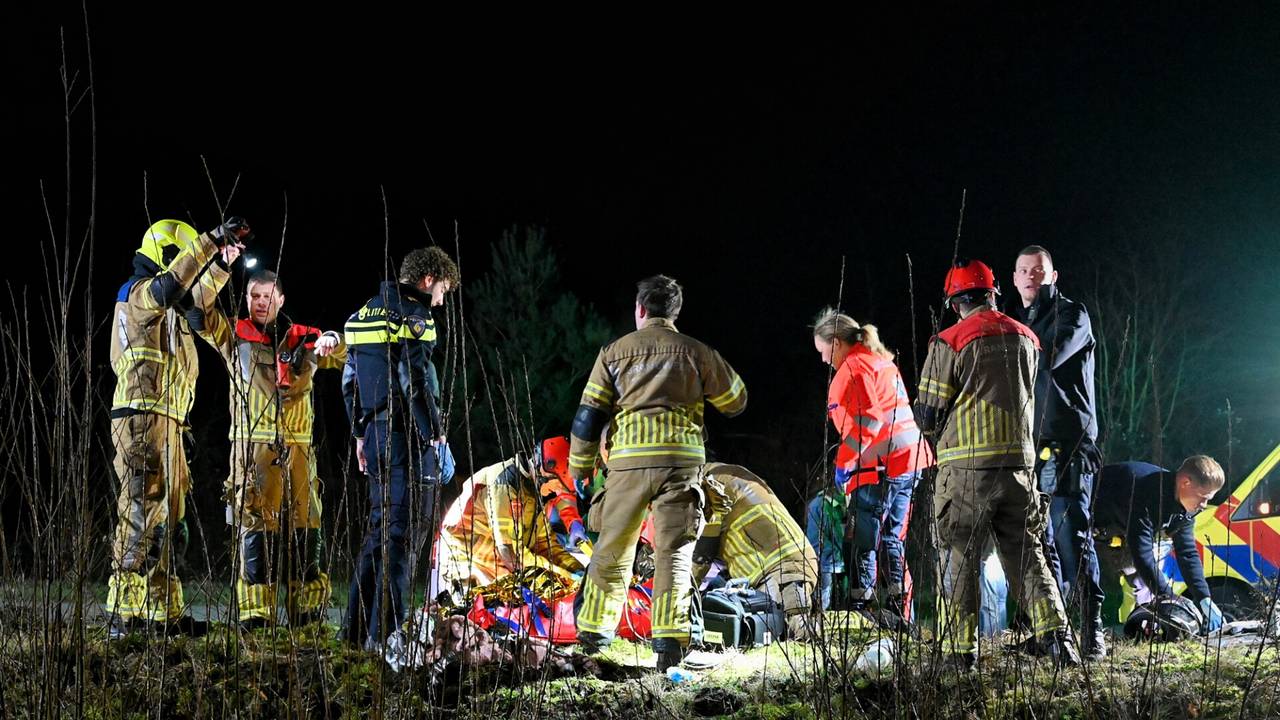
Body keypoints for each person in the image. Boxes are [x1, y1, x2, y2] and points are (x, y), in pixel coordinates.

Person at [569, 274, 747, 672]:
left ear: (640, 310)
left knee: (613, 546)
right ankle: (669, 644)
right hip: (681, 464)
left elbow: (587, 416)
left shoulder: (613, 353)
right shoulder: (697, 352)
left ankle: (594, 636)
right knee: (676, 553)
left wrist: (580, 466)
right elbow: (736, 400)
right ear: (676, 313)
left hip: (628, 464)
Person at [914, 258, 1078, 668]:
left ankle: (958, 654)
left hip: (966, 474)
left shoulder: (948, 341)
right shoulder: (1027, 339)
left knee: (958, 556)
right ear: (993, 294)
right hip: (1021, 470)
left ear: (955, 303)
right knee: (1027, 554)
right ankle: (1059, 641)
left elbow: (928, 415)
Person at [106, 217, 248, 637]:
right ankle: (124, 614)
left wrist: (222, 263)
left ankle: (160, 613)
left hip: (167, 420)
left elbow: (196, 303)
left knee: (171, 518)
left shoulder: (171, 306)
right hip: (140, 417)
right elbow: (170, 287)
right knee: (141, 512)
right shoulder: (137, 294)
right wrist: (209, 242)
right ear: (167, 256)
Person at [195, 269, 344, 629]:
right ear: (246, 300)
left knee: (306, 530)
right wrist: (220, 264)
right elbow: (199, 310)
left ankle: (306, 614)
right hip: (252, 451)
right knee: (255, 529)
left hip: (298, 450)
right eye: (254, 296)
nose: (261, 302)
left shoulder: (304, 337)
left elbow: (342, 355)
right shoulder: (234, 335)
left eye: (268, 295)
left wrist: (333, 340)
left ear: (281, 299)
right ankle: (256, 615)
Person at [340, 247, 460, 651]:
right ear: (428, 280)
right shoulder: (417, 316)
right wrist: (436, 437)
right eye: (443, 289)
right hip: (408, 436)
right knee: (404, 535)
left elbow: (350, 381)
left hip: (374, 434)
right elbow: (416, 382)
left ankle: (355, 632)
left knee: (378, 530)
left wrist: (359, 436)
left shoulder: (359, 316)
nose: (442, 300)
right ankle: (389, 636)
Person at [1007, 245, 1105, 657]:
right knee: (1039, 540)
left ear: (1053, 276)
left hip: (1066, 446)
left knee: (1071, 535)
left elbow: (1045, 357)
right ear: (1014, 279)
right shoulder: (1017, 324)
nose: (1032, 276)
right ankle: (1054, 632)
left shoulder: (1072, 315)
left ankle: (1091, 629)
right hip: (1033, 448)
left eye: (1039, 271)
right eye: (1024, 270)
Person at [813, 308, 933, 621]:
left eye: (823, 351)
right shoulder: (881, 362)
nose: (825, 360)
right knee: (894, 540)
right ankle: (900, 613)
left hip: (879, 468)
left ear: (836, 343)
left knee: (866, 542)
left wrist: (843, 464)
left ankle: (863, 612)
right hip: (910, 462)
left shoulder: (853, 367)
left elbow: (867, 422)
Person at [436, 438, 586, 599]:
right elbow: (509, 552)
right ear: (546, 471)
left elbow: (544, 544)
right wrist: (565, 576)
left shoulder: (533, 490)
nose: (556, 492)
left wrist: (579, 571)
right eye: (557, 485)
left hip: (497, 562)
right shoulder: (504, 483)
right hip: (467, 562)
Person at [1092, 457, 1226, 633]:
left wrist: (1203, 597)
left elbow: (1187, 553)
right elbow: (1142, 553)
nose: (1204, 505)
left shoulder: (1185, 508)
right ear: (1185, 482)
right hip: (1091, 522)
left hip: (1120, 532)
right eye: (1203, 497)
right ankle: (1095, 634)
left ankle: (1141, 629)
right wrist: (1171, 600)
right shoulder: (1147, 493)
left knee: (1145, 584)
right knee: (1103, 588)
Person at [693, 463, 820, 637]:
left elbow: (702, 554)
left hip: (783, 569)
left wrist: (683, 590)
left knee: (793, 622)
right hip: (787, 563)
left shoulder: (710, 487)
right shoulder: (727, 476)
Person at [805, 482, 846, 610]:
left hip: (843, 563)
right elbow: (815, 538)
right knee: (824, 603)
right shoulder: (819, 505)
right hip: (826, 562)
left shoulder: (848, 502)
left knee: (842, 605)